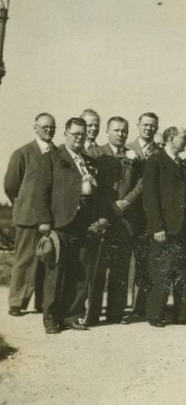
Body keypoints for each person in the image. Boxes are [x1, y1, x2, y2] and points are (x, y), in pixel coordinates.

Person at [35, 117, 107, 334]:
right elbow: (42, 192)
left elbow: (99, 194)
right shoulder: (52, 158)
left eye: (82, 134)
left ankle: (73, 316)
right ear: (65, 134)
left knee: (81, 271)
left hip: (85, 223)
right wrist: (45, 221)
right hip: (60, 222)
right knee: (56, 272)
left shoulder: (90, 162)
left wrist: (100, 218)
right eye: (75, 133)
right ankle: (51, 319)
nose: (79, 137)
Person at [143, 126, 186, 327]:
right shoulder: (155, 161)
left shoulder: (180, 163)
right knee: (162, 271)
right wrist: (157, 227)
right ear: (170, 138)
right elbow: (150, 197)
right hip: (166, 228)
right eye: (183, 137)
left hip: (184, 228)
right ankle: (155, 315)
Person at [85, 116, 143, 325]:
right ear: (107, 132)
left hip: (125, 219)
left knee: (120, 268)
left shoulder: (134, 157)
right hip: (101, 217)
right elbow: (95, 185)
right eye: (116, 130)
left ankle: (116, 313)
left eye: (124, 131)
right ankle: (91, 314)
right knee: (98, 268)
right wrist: (111, 205)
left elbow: (141, 182)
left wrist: (126, 201)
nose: (121, 134)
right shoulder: (95, 154)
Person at [5, 112, 56, 317]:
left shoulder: (58, 153)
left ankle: (42, 302)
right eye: (44, 127)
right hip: (27, 217)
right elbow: (11, 185)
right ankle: (17, 302)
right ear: (35, 128)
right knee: (25, 259)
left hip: (50, 217)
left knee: (47, 259)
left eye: (52, 127)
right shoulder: (23, 153)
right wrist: (24, 202)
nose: (48, 130)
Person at [125, 112, 160, 319]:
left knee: (145, 262)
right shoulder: (126, 149)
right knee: (123, 264)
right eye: (145, 125)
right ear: (138, 126)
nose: (149, 129)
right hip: (127, 214)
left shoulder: (159, 152)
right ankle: (120, 306)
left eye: (153, 126)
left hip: (147, 216)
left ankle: (141, 307)